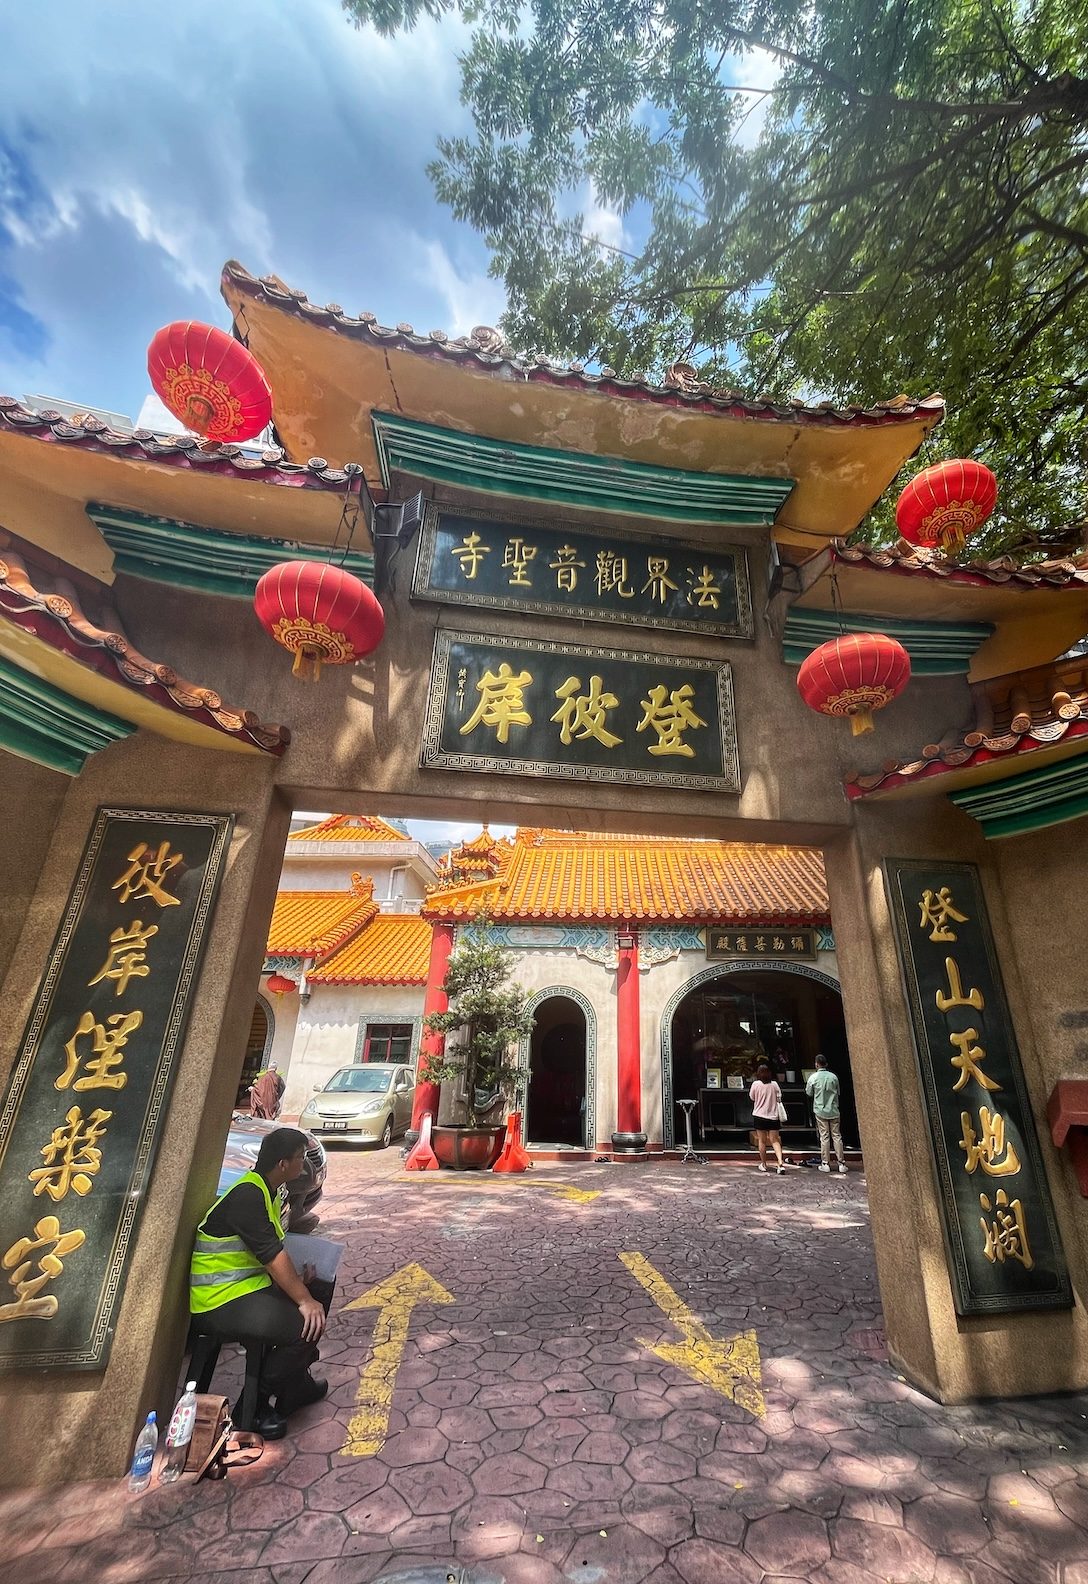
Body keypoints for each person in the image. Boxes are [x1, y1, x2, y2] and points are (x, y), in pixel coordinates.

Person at [190, 1126, 331, 1439]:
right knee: (302, 1325)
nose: (303, 1165)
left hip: (245, 1287)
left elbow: (272, 1251)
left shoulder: (269, 1190)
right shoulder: (249, 1195)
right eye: (300, 1159)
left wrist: (304, 1286)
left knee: (320, 1288)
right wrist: (303, 1299)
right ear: (283, 1164)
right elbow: (271, 1256)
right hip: (219, 1300)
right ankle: (251, 1408)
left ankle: (296, 1384)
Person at [806, 1054, 848, 1174]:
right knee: (837, 1136)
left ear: (816, 1064)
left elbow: (809, 1092)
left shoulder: (813, 1077)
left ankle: (825, 1163)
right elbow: (838, 1092)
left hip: (820, 1110)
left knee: (824, 1136)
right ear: (826, 1064)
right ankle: (841, 1163)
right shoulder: (833, 1077)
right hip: (834, 1109)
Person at [749, 1061, 786, 1175]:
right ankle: (780, 1163)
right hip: (773, 1116)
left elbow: (752, 1097)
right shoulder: (774, 1085)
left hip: (759, 1115)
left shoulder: (755, 1084)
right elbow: (779, 1098)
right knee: (775, 1140)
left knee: (762, 1141)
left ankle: (764, 1164)